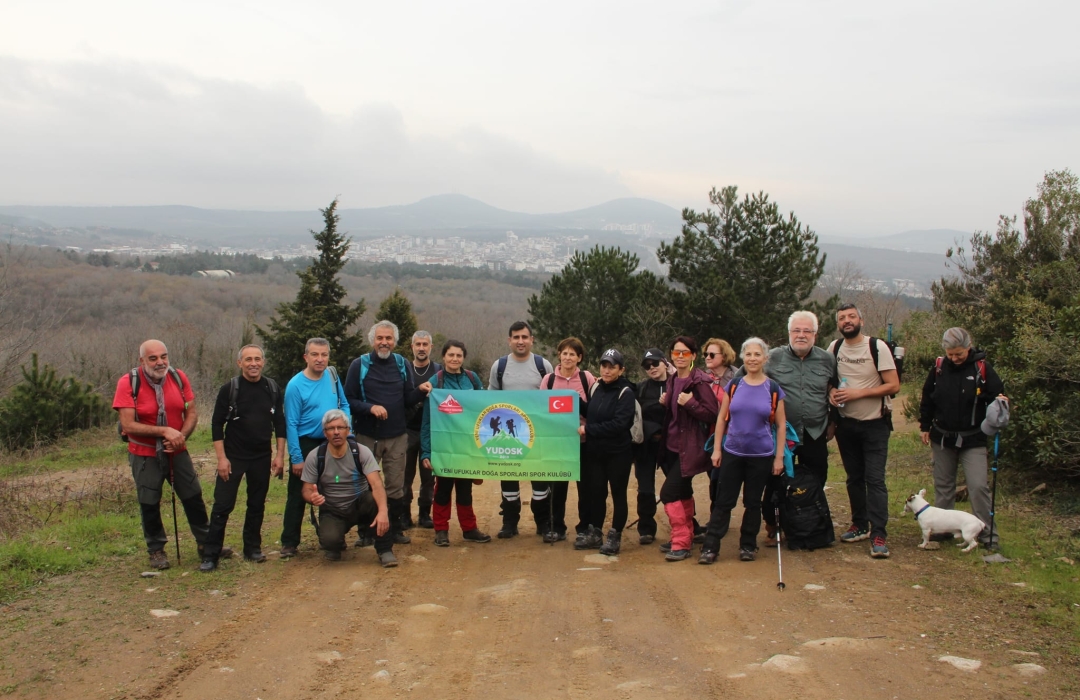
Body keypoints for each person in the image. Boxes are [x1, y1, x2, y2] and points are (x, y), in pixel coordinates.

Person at [113, 339, 214, 570]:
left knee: (192, 495)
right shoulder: (129, 382)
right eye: (153, 358)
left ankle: (206, 543)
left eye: (164, 357)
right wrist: (165, 431)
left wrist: (180, 436)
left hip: (177, 450)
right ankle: (156, 550)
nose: (160, 362)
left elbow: (192, 413)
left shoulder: (178, 377)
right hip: (143, 452)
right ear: (142, 360)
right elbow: (127, 424)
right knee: (149, 501)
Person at [700, 338, 787, 564]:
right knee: (724, 501)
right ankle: (710, 547)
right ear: (742, 357)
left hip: (761, 455)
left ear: (765, 358)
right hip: (733, 452)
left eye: (757, 354)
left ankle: (748, 545)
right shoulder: (735, 385)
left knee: (753, 502)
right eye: (748, 354)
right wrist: (717, 449)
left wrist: (779, 458)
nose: (752, 359)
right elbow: (722, 418)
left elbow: (781, 426)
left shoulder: (774, 389)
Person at [345, 320, 431, 547]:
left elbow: (407, 399)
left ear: (395, 341)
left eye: (388, 338)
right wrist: (370, 408)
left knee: (395, 485)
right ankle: (365, 533)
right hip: (366, 436)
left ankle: (393, 530)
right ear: (373, 340)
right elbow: (348, 400)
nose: (384, 342)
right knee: (365, 484)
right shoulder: (359, 365)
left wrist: (420, 392)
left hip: (396, 436)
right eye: (380, 338)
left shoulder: (402, 364)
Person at [919, 327, 1006, 549]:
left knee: (978, 487)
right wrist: (925, 426)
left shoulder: (982, 369)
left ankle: (987, 535)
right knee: (944, 486)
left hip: (974, 437)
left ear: (969, 347)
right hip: (942, 436)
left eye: (959, 353)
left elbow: (998, 396)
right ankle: (945, 530)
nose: (955, 358)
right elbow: (927, 398)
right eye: (950, 354)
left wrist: (1000, 406)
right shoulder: (939, 369)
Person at [201, 345, 286, 571]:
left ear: (263, 362)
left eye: (257, 359)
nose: (253, 363)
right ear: (240, 363)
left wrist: (279, 456)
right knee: (222, 506)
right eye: (248, 359)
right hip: (234, 456)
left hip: (261, 456)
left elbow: (279, 424)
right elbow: (217, 425)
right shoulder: (230, 389)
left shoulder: (272, 388)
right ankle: (211, 555)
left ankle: (252, 548)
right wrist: (221, 459)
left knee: (256, 504)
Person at [755, 311, 837, 545]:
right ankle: (772, 525)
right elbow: (745, 380)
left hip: (815, 431)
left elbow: (835, 388)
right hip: (781, 433)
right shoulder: (773, 358)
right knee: (773, 480)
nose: (801, 335)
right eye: (797, 331)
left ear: (815, 334)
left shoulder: (826, 359)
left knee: (816, 480)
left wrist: (834, 422)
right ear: (789, 332)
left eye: (807, 331)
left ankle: (809, 523)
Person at [828, 304, 900, 559]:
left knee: (875, 479)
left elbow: (893, 385)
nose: (847, 321)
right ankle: (860, 525)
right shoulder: (834, 348)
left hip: (875, 424)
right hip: (847, 425)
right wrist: (831, 394)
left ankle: (879, 533)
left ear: (861, 319)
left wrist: (860, 393)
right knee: (854, 478)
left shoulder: (877, 347)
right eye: (842, 318)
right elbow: (827, 380)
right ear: (838, 324)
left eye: (851, 317)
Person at [281, 338, 351, 559]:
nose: (320, 359)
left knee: (331, 489)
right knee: (298, 493)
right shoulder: (295, 386)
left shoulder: (332, 375)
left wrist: (348, 428)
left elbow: (345, 404)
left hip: (332, 440)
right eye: (315, 355)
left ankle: (331, 538)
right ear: (306, 357)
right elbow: (290, 423)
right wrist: (296, 457)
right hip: (306, 443)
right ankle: (289, 542)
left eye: (324, 354)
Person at [301, 409, 397, 567]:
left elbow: (377, 484)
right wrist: (311, 497)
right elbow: (306, 489)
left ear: (348, 430)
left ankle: (385, 550)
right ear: (325, 433)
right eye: (331, 428)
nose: (336, 432)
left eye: (341, 428)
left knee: (375, 500)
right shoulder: (315, 456)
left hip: (360, 504)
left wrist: (383, 512)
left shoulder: (361, 452)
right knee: (329, 542)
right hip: (332, 509)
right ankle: (336, 543)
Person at [420, 339, 492, 547]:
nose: (454, 359)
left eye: (459, 355)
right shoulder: (436, 381)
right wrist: (426, 452)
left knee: (465, 489)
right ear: (443, 357)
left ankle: (469, 529)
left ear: (463, 358)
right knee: (442, 488)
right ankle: (441, 530)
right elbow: (427, 420)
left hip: (468, 445)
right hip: (445, 446)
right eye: (451, 355)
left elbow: (483, 409)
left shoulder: (472, 378)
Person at [487, 321, 554, 538]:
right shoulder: (500, 366)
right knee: (508, 483)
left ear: (532, 340)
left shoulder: (544, 366)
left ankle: (543, 523)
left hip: (538, 436)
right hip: (508, 436)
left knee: (540, 483)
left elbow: (552, 400)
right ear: (509, 340)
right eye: (516, 337)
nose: (520, 341)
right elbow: (490, 400)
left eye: (525, 337)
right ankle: (509, 523)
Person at [656, 336, 719, 561]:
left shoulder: (699, 382)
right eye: (676, 353)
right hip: (672, 446)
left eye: (685, 352)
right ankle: (688, 534)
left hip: (689, 449)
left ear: (693, 355)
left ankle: (680, 542)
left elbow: (713, 414)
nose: (680, 356)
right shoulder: (673, 379)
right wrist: (668, 401)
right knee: (682, 491)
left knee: (668, 493)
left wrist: (690, 403)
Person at [577, 348, 636, 554]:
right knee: (596, 493)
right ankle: (595, 533)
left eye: (612, 367)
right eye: (604, 365)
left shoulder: (626, 392)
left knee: (618, 494)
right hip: (596, 453)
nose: (607, 370)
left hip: (618, 453)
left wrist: (588, 429)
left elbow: (619, 424)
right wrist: (575, 402)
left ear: (621, 369)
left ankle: (615, 535)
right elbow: (592, 412)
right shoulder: (596, 388)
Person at [538, 337, 596, 544]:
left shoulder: (587, 379)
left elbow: (596, 409)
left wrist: (586, 424)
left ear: (579, 358)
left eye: (572, 354)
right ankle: (557, 527)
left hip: (583, 441)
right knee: (557, 487)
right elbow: (541, 409)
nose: (568, 357)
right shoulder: (549, 380)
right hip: (558, 443)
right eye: (564, 353)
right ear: (559, 355)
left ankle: (584, 527)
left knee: (585, 487)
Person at [403, 331, 441, 530]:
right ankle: (404, 512)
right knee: (405, 475)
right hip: (407, 429)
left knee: (428, 475)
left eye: (425, 344)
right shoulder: (404, 369)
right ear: (412, 346)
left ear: (431, 347)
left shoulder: (438, 371)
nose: (421, 348)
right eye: (417, 344)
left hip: (431, 430)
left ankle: (425, 512)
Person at [633, 348, 669, 545]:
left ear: (664, 362)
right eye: (647, 366)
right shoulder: (642, 388)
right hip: (647, 445)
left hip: (670, 444)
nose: (652, 368)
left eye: (655, 363)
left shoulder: (677, 384)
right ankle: (646, 528)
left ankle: (689, 523)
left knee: (677, 485)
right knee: (645, 487)